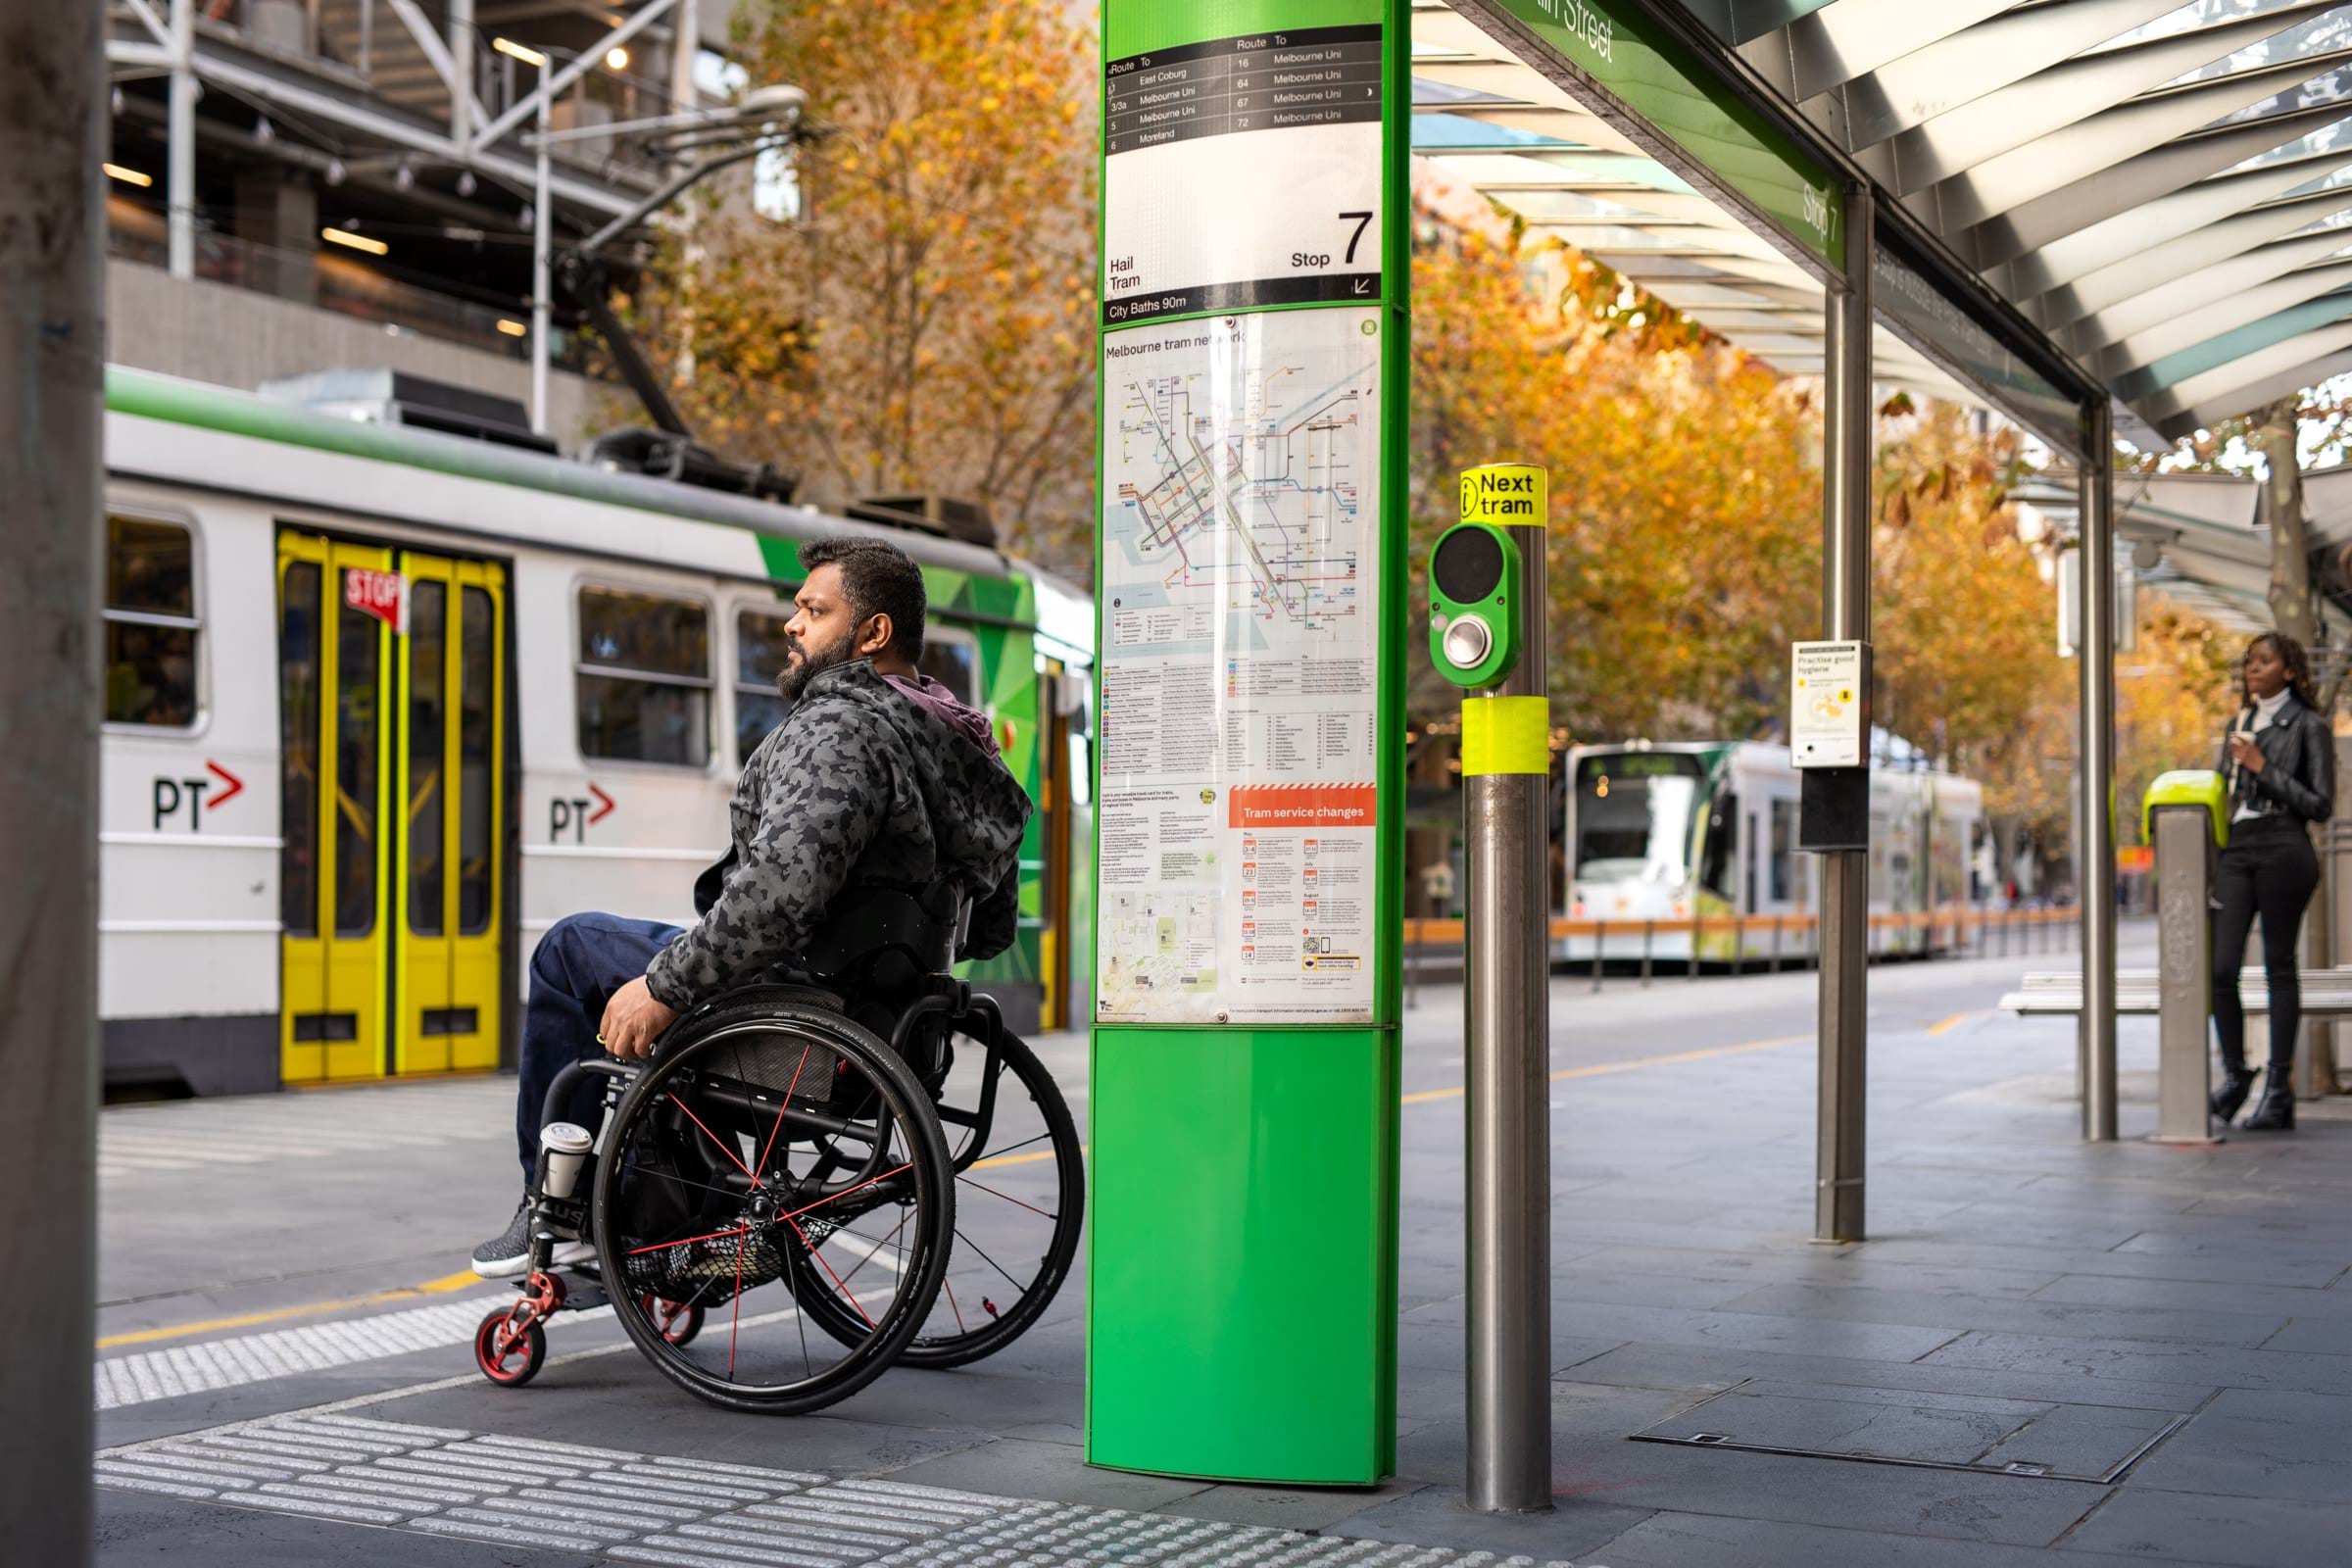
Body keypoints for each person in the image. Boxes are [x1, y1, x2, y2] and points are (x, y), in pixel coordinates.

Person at [470, 535, 1034, 1275]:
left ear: (873, 633)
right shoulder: (963, 746)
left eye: (814, 609)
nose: (792, 625)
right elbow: (988, 929)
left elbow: (780, 893)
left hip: (804, 1025)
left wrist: (666, 986)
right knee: (645, 962)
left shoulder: (840, 728)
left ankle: (561, 1207)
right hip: (891, 1030)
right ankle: (662, 1207)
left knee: (573, 950)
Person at [2210, 630, 2333, 1134]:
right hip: (2238, 849)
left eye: (2264, 661)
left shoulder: (2308, 725)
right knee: (2220, 969)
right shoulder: (2237, 723)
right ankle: (2238, 1076)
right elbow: (2225, 794)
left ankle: (2279, 1091)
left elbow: (2320, 805)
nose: (2252, 669)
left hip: (2285, 844)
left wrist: (2261, 767)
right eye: (2248, 662)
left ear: (2289, 670)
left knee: (2279, 965)